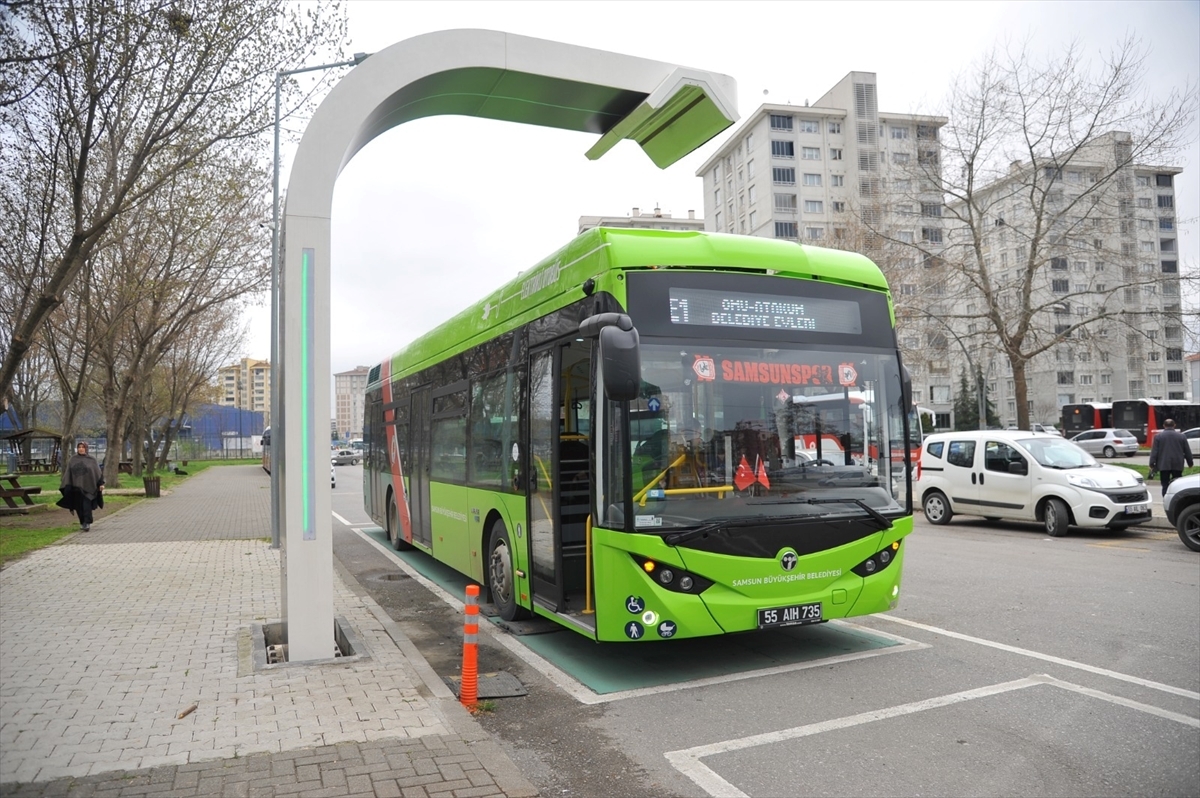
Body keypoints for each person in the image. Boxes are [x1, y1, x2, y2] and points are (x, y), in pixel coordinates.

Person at [58, 441, 104, 531]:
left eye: (83, 447)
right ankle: (82, 522)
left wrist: (101, 484)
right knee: (79, 507)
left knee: (86, 506)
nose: (81, 449)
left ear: (86, 448)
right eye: (79, 447)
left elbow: (97, 473)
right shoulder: (73, 459)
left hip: (89, 487)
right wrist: (67, 484)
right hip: (76, 487)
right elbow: (68, 473)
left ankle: (87, 522)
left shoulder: (92, 460)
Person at [1148, 418, 1193, 497]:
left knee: (1165, 484)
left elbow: (1154, 452)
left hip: (1163, 464)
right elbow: (1187, 451)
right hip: (1177, 464)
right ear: (1174, 425)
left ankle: (1166, 499)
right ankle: (1176, 498)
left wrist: (1152, 464)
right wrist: (1190, 463)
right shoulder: (1181, 436)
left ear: (1164, 426)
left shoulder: (1158, 437)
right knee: (1177, 483)